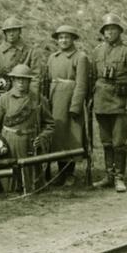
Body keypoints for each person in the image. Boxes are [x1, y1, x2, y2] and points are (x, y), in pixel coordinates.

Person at [89, 14, 127, 193]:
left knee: (118, 142)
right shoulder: (97, 51)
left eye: (113, 29)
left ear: (119, 31)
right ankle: (109, 176)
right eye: (106, 29)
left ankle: (119, 177)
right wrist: (91, 101)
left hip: (120, 104)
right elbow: (92, 78)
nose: (109, 32)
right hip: (101, 103)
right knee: (106, 142)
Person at [0, 64, 54, 193]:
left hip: (30, 143)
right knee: (9, 186)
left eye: (25, 79)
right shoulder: (3, 100)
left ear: (29, 81)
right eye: (18, 79)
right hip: (9, 143)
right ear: (12, 80)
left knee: (33, 184)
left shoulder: (39, 99)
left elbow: (49, 124)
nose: (21, 82)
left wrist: (43, 137)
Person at [45, 25, 89, 186]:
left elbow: (82, 83)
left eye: (67, 37)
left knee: (70, 136)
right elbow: (47, 80)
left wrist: (75, 106)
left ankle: (69, 173)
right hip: (54, 99)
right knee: (56, 135)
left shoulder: (80, 57)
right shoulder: (52, 57)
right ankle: (59, 172)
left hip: (69, 99)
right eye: (61, 37)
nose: (63, 40)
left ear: (73, 39)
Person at [0, 17, 44, 96]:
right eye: (8, 31)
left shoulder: (31, 51)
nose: (11, 34)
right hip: (1, 93)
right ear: (4, 32)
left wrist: (33, 97)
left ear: (19, 31)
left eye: (14, 30)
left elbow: (35, 78)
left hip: (23, 94)